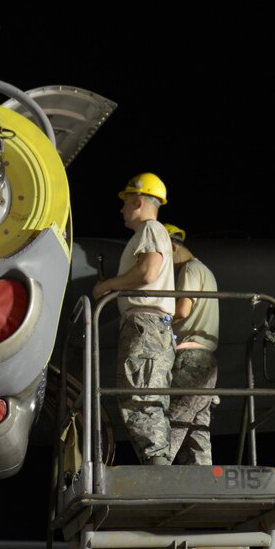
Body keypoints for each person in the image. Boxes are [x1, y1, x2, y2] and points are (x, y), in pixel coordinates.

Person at [89, 173, 176, 464]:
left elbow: (148, 272)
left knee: (140, 395)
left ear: (138, 202)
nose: (121, 210)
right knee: (145, 395)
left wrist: (108, 285)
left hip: (145, 325)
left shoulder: (150, 228)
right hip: (151, 327)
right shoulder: (153, 232)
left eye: (126, 203)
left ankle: (157, 465)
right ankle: (157, 462)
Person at [163, 224, 219, 464]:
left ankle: (155, 474)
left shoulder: (190, 269)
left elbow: (182, 309)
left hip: (191, 360)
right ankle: (204, 483)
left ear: (173, 248)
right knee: (198, 430)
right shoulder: (205, 271)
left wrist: (159, 314)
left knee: (174, 421)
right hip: (207, 361)